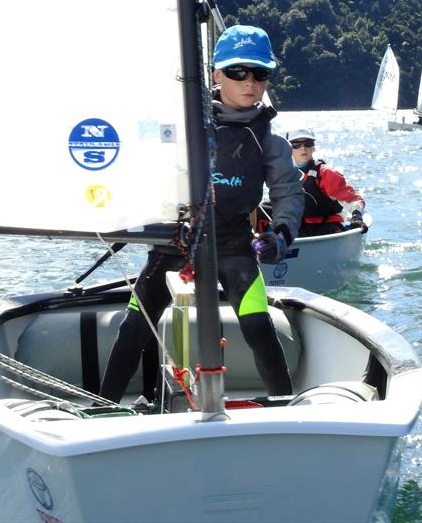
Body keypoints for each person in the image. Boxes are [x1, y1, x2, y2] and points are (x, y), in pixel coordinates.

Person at [99, 25, 304, 404]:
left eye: (261, 73)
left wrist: (282, 234)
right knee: (134, 328)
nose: (251, 82)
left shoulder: (269, 141)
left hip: (233, 245)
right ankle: (102, 409)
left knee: (260, 329)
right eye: (239, 72)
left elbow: (288, 192)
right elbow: (136, 167)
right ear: (216, 75)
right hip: (173, 241)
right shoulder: (180, 126)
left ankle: (284, 412)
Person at [286, 127, 366, 237]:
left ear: (313, 148)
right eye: (296, 145)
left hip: (325, 228)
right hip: (295, 227)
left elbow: (353, 199)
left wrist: (357, 217)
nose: (303, 148)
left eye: (308, 143)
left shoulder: (325, 173)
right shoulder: (282, 175)